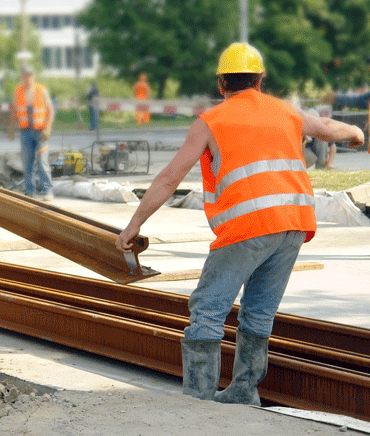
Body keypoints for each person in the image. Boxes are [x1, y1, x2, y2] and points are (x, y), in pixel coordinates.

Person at [115, 42, 364, 405]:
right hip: (293, 225)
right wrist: (356, 135)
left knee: (208, 309)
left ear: (222, 85)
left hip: (247, 228)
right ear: (260, 81)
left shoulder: (210, 122)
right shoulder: (286, 111)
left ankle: (197, 401)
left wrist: (133, 225)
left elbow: (170, 178)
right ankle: (245, 393)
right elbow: (326, 127)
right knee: (259, 312)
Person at [9, 65, 55, 200]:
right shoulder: (18, 91)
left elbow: (50, 110)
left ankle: (48, 191)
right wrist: (11, 127)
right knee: (27, 162)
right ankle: (30, 192)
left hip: (40, 132)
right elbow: (14, 110)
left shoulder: (41, 90)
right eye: (25, 75)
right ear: (22, 77)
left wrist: (48, 128)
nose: (27, 78)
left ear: (33, 76)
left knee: (42, 162)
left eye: (29, 75)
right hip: (25, 132)